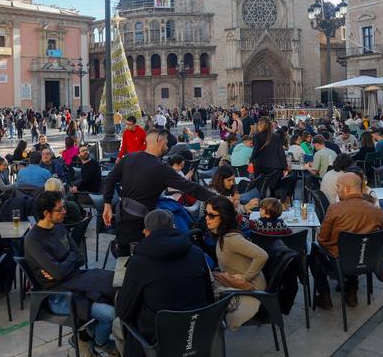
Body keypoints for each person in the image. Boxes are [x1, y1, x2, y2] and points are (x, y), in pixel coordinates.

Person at [24, 191, 118, 356]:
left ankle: (84, 336)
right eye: (60, 209)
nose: (65, 212)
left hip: (77, 281)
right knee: (110, 314)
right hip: (57, 295)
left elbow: (79, 257)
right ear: (46, 213)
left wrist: (63, 264)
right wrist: (66, 263)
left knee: (117, 291)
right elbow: (59, 273)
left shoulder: (59, 227)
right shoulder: (33, 240)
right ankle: (99, 341)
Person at [114, 209, 214, 357]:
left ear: (147, 233)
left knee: (117, 325)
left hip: (157, 341)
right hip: (196, 333)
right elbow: (209, 297)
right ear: (174, 227)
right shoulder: (196, 253)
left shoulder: (138, 262)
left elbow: (124, 311)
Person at [102, 130, 215, 256]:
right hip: (143, 225)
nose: (167, 147)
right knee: (143, 261)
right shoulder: (161, 169)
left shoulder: (129, 158)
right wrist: (215, 198)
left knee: (125, 259)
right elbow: (190, 187)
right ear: (159, 142)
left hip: (122, 219)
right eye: (166, 143)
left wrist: (107, 204)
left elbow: (109, 180)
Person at [310, 173, 383, 309]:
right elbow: (382, 236)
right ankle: (351, 292)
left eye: (338, 187)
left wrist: (331, 247)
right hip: (368, 260)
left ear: (346, 189)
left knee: (314, 251)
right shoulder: (376, 211)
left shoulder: (335, 209)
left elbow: (322, 238)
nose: (336, 190)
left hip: (339, 261)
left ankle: (324, 296)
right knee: (354, 248)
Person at [205, 196, 268, 329]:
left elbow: (262, 255)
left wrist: (245, 277)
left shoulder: (231, 239)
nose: (206, 218)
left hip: (251, 288)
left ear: (224, 217)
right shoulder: (222, 235)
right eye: (206, 213)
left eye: (211, 215)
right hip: (234, 283)